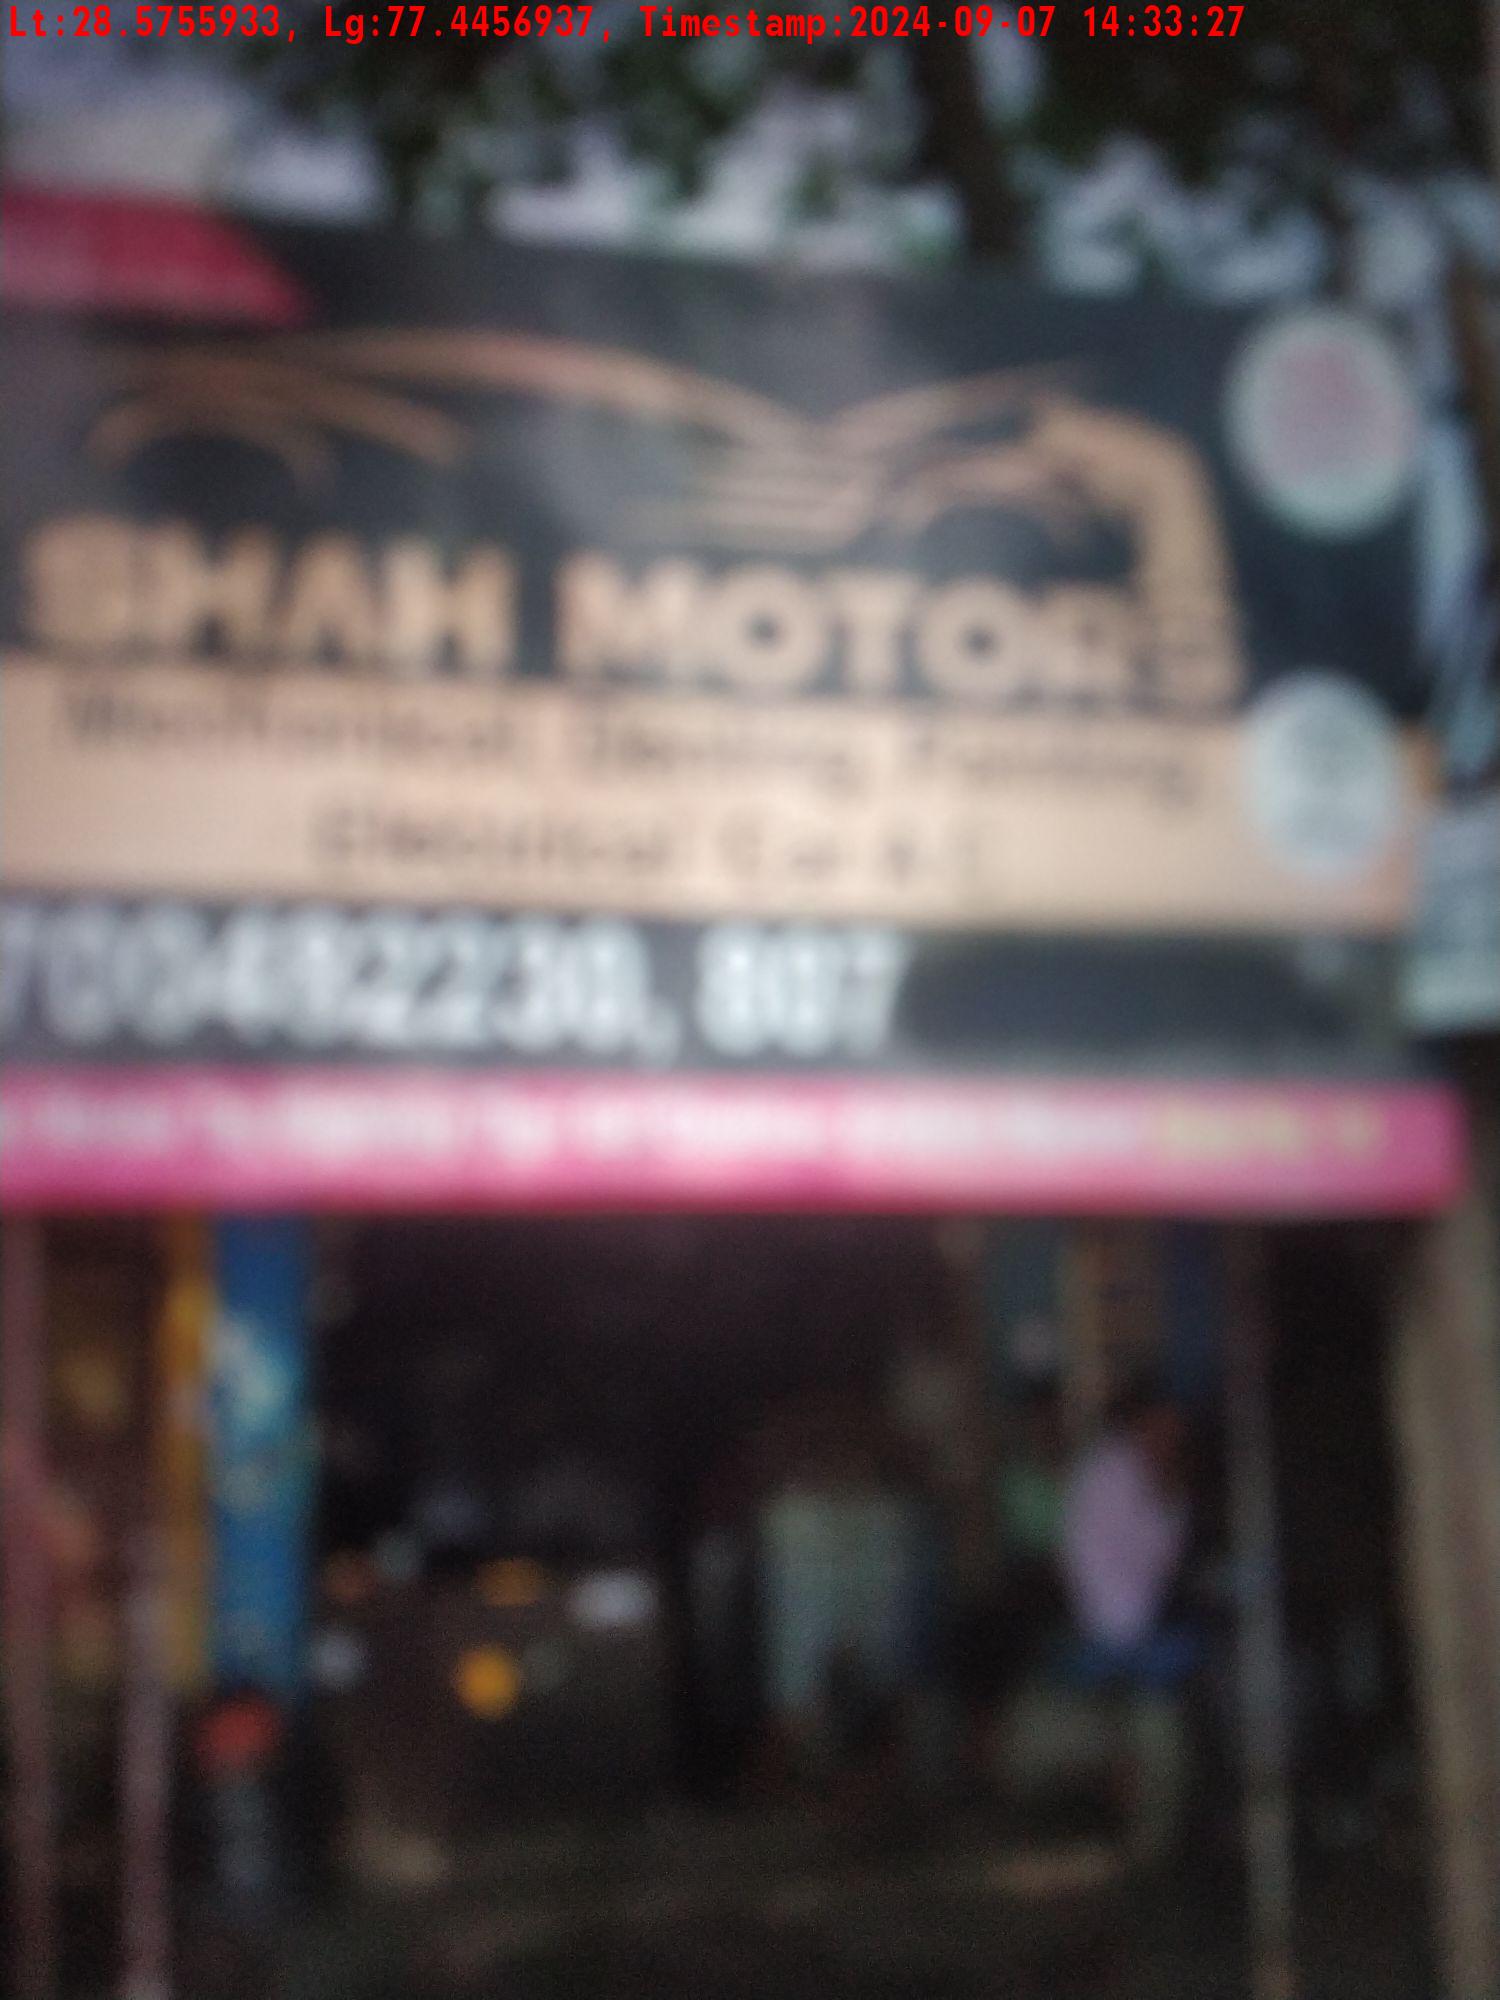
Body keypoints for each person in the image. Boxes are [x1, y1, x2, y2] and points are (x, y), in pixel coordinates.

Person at [1058, 1383, 1202, 1858]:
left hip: (1134, 1635)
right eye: (1164, 1427)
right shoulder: (1113, 1476)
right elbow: (1132, 1571)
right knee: (1155, 1734)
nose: (1172, 1438)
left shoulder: (1144, 1476)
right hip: (1116, 1638)